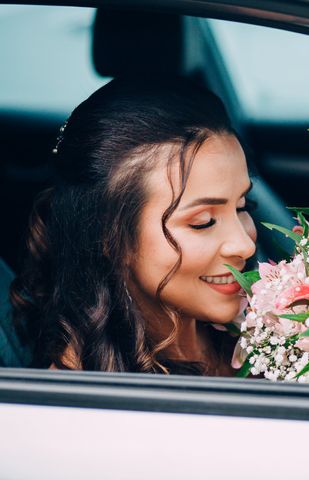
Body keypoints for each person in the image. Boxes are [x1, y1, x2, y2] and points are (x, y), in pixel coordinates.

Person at [9, 76, 257, 375]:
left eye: (243, 206)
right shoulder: (81, 396)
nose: (245, 244)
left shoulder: (260, 329)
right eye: (202, 222)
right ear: (109, 236)